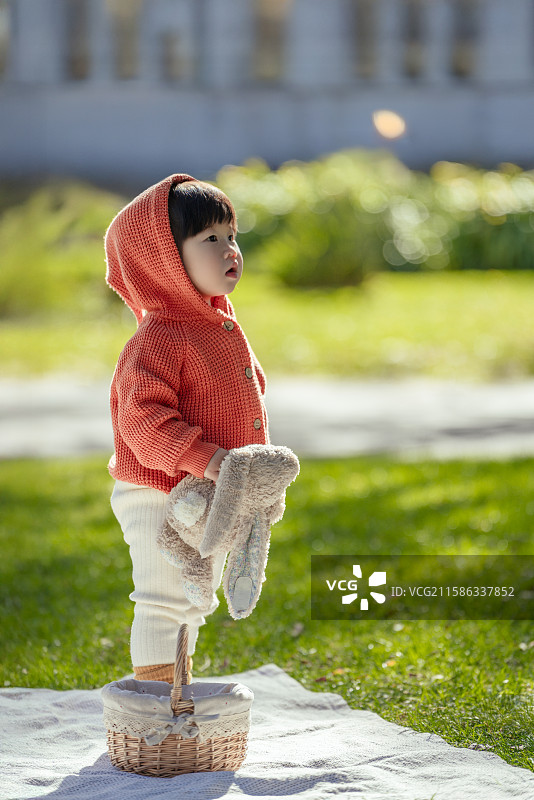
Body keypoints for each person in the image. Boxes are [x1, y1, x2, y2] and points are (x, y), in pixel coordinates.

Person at [105, 173, 269, 683]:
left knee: (193, 601)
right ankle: (155, 709)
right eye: (211, 239)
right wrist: (211, 459)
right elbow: (142, 420)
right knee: (162, 599)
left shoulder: (218, 324)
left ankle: (177, 689)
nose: (230, 250)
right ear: (166, 262)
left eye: (232, 235)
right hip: (158, 491)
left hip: (206, 494)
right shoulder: (159, 338)